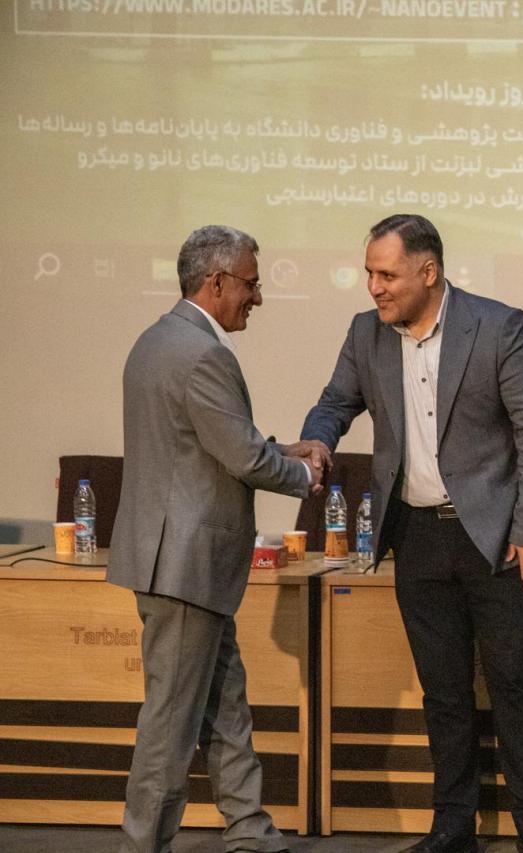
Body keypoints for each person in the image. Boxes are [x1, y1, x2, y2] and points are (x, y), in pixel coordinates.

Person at [300, 213, 523, 853]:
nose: (374, 287)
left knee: (514, 687)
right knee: (442, 692)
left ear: (429, 271)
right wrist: (315, 441)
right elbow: (335, 403)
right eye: (369, 273)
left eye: (387, 275)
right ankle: (453, 824)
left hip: (495, 538)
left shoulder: (498, 326)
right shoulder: (366, 333)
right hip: (415, 536)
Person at [107, 225, 329, 853]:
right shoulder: (205, 354)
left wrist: (281, 447)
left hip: (180, 564)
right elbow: (244, 459)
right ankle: (143, 843)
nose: (257, 297)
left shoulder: (157, 340)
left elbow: (201, 442)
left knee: (224, 703)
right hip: (186, 565)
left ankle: (250, 828)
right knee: (171, 724)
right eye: (251, 285)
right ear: (218, 282)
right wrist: (304, 475)